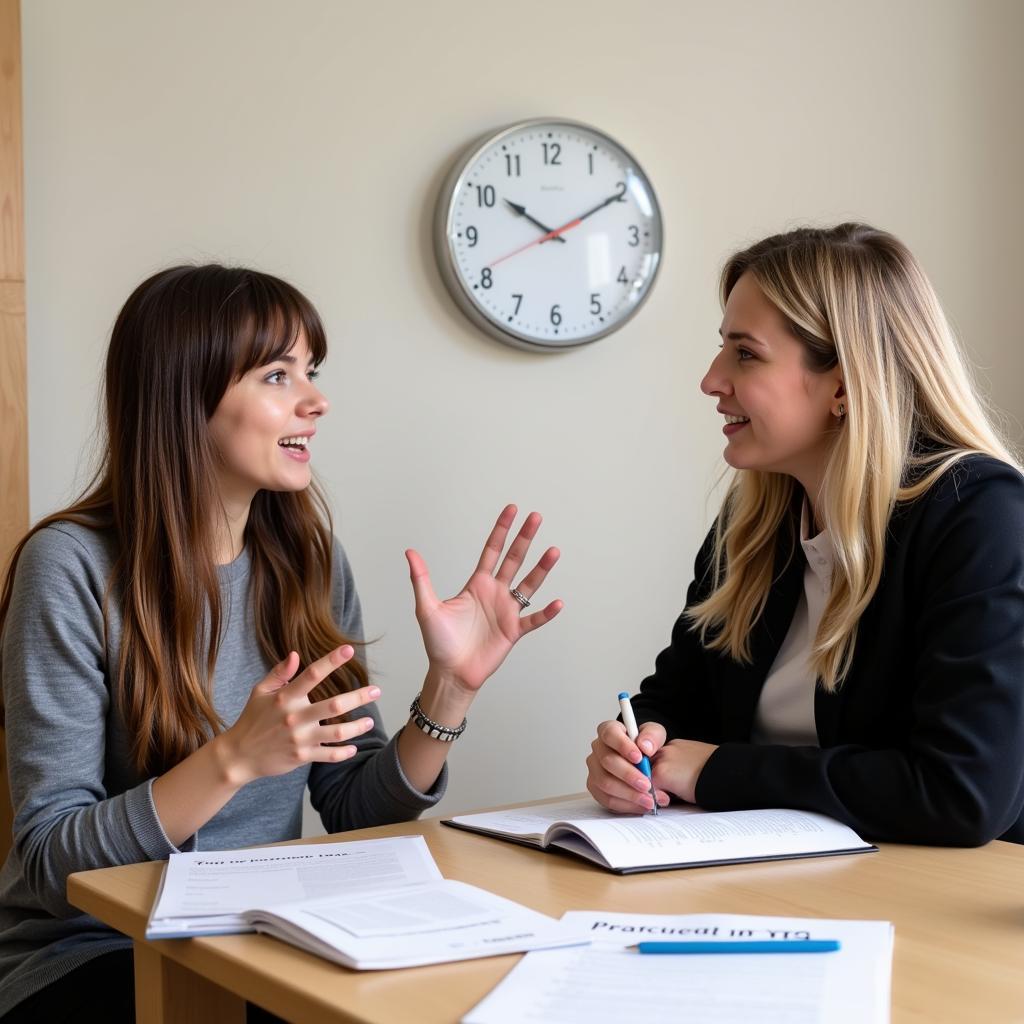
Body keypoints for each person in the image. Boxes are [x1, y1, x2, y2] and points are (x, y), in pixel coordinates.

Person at [0, 265, 563, 1022]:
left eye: (311, 371)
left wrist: (449, 691)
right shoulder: (69, 566)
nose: (315, 400)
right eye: (276, 374)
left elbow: (357, 809)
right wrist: (231, 761)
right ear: (184, 395)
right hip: (92, 951)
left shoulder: (309, 561)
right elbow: (47, 857)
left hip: (267, 939)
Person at [586, 223, 1024, 846]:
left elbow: (964, 793)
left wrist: (718, 771)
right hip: (779, 885)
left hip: (946, 906)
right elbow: (674, 700)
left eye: (745, 353)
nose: (712, 380)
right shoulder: (753, 525)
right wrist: (636, 751)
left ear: (843, 385)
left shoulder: (978, 515)